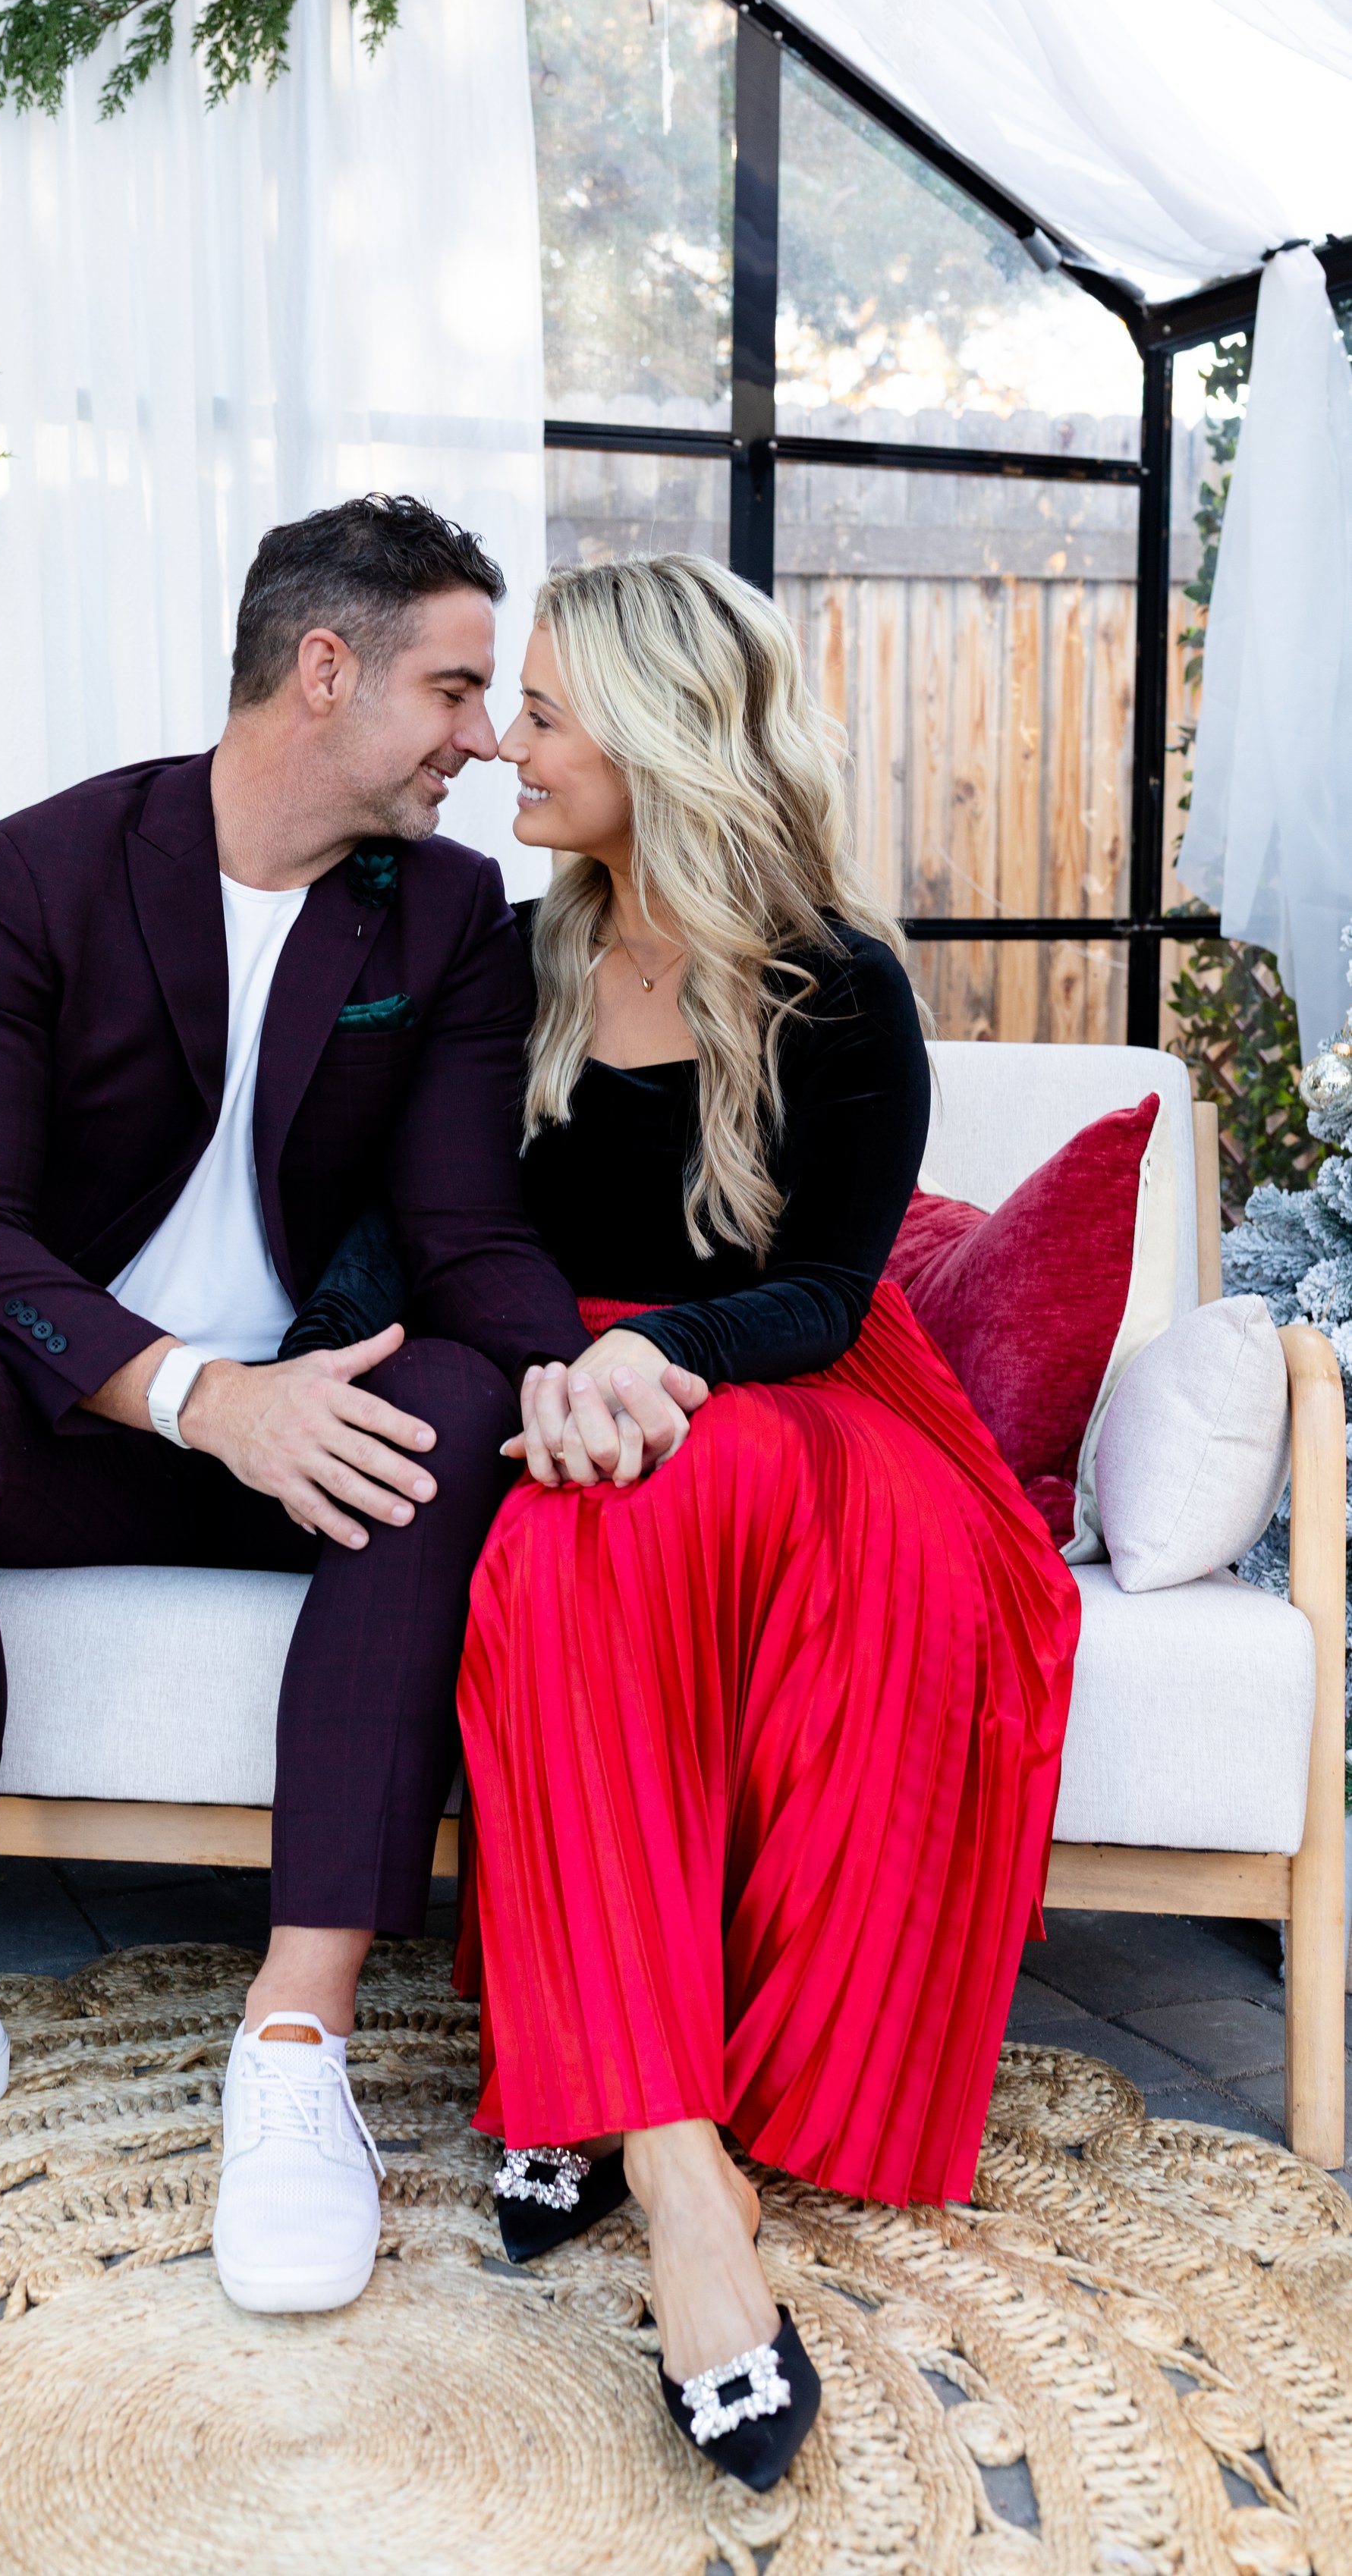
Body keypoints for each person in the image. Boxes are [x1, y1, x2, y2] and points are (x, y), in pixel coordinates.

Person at [0, 495, 648, 2311]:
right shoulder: (31, 875)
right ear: (325, 670)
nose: (485, 736)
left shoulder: (447, 909)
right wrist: (197, 1396)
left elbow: (465, 1226)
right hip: (94, 1424)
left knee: (455, 1399)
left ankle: (293, 2044)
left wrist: (566, 1362)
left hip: (321, 1440)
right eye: (457, 690)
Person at [455, 553, 1081, 2489]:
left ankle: (590, 2089)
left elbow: (819, 1287)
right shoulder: (515, 959)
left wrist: (656, 1366)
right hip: (553, 1382)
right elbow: (438, 1225)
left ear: (653, 736)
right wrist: (541, 1367)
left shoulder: (835, 979)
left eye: (543, 711)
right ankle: (674, 2170)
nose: (504, 743)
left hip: (792, 1396)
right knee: (563, 1536)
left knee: (633, 1500)